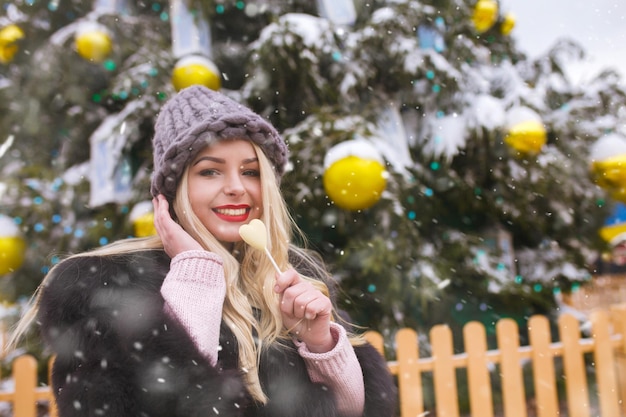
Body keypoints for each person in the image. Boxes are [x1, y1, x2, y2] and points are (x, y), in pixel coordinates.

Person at [10, 85, 397, 417]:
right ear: (175, 191)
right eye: (210, 171)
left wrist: (320, 346)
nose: (236, 188)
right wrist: (196, 279)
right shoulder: (102, 290)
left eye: (249, 171)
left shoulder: (287, 278)